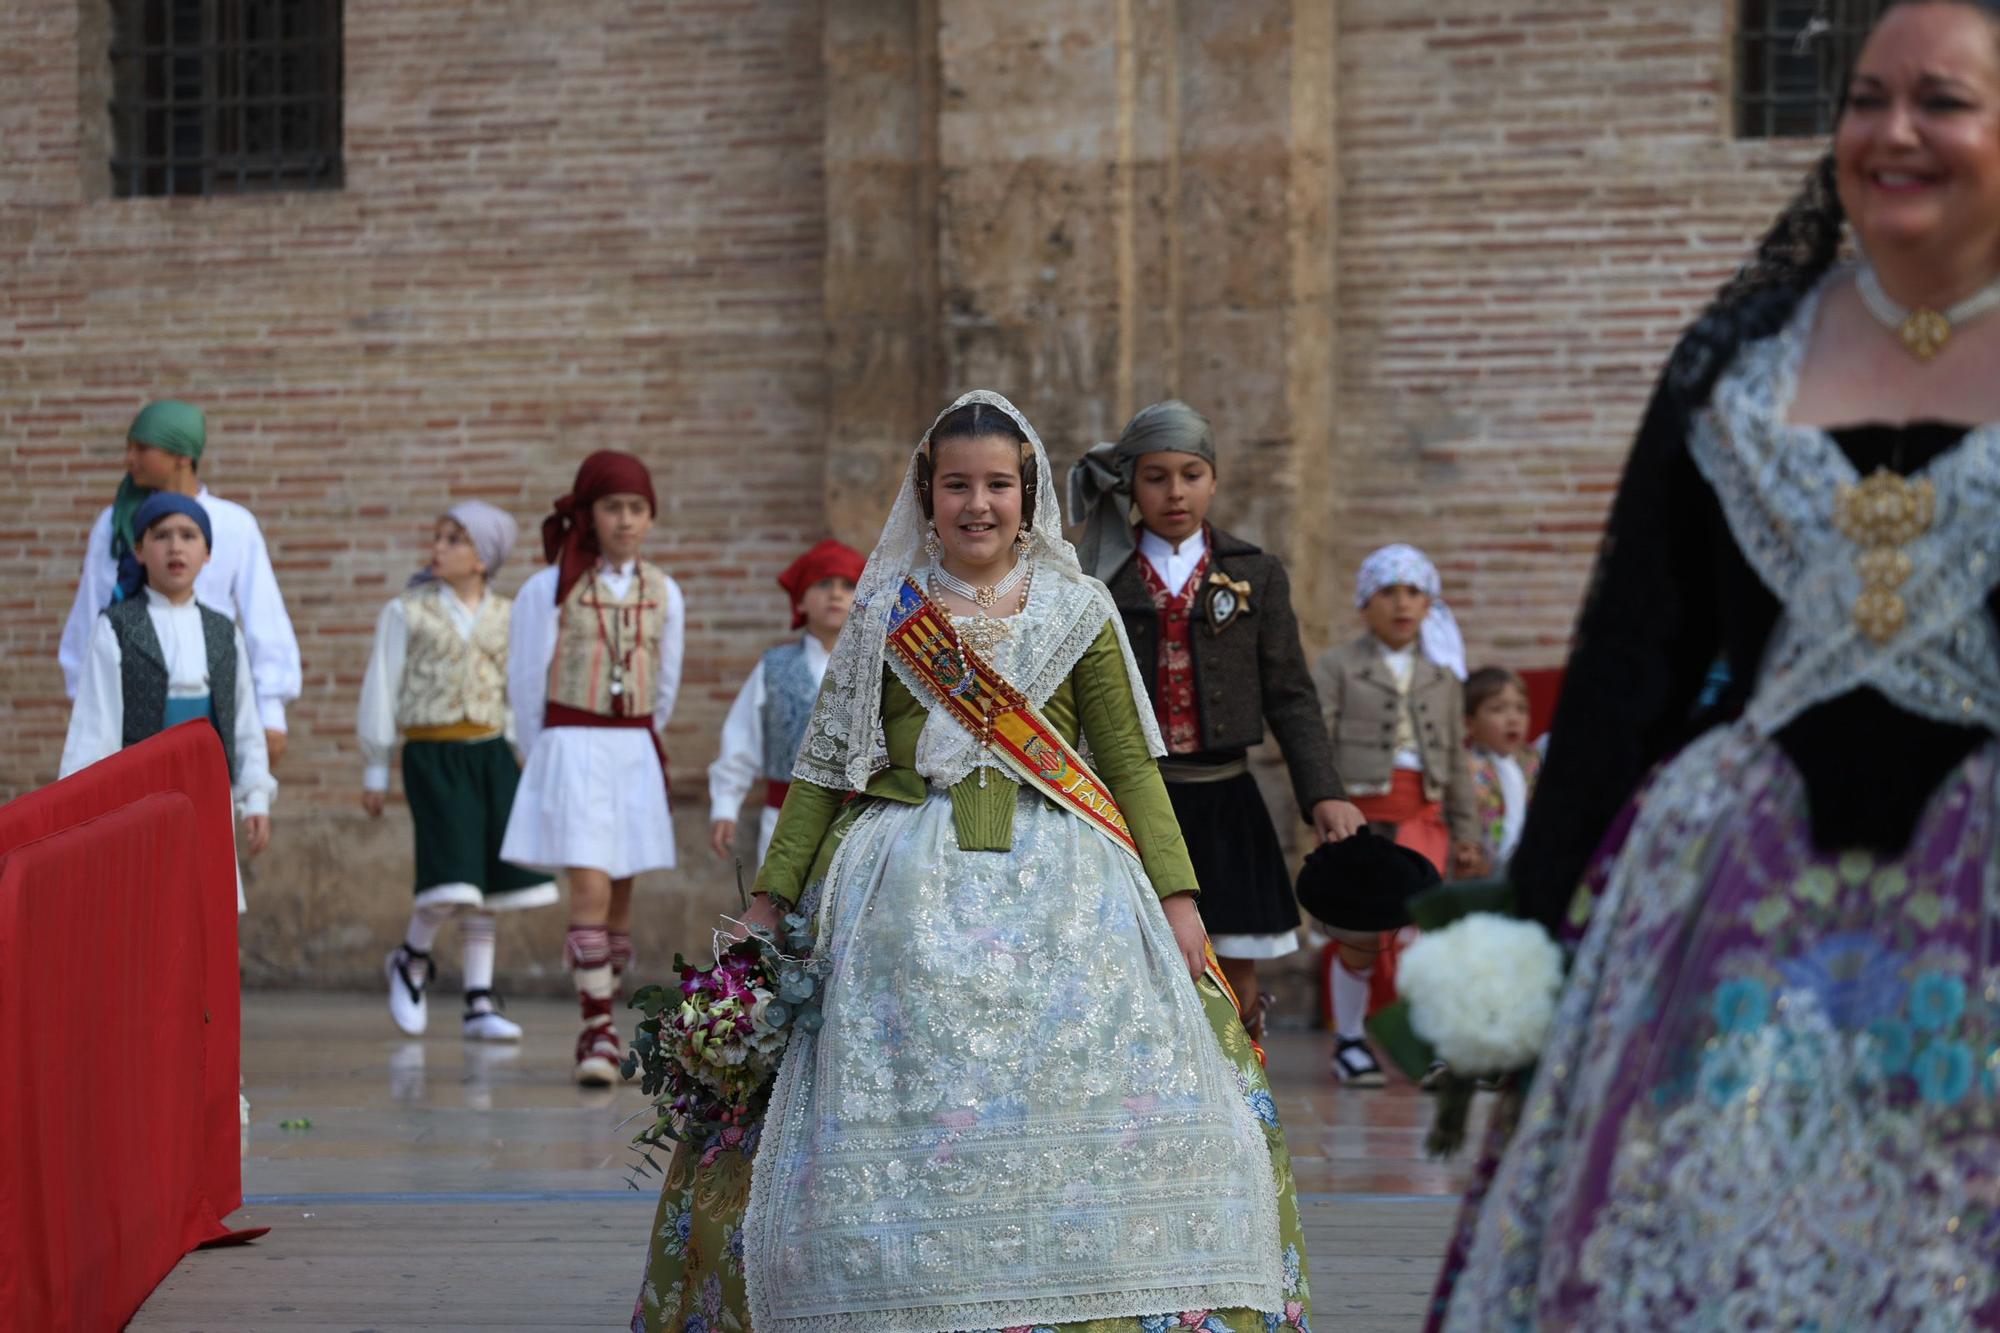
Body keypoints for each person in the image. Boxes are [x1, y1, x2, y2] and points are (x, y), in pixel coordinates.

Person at [1438, 3, 2000, 1324]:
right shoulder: (1733, 370)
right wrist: (1524, 943)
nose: (1896, 129)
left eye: (1946, 99)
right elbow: (1630, 669)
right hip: (1734, 912)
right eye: (1866, 97)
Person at [632, 392, 1313, 1333]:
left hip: (1072, 884)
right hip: (898, 886)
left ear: (1028, 493)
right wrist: (765, 904)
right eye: (958, 485)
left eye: (999, 484)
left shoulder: (1077, 609)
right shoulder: (884, 615)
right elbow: (824, 773)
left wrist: (1179, 896)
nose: (979, 504)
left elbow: (1126, 764)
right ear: (928, 493)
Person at [1068, 400, 1364, 1039]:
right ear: (1130, 484)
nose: (1175, 492)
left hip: (1227, 800)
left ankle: (1247, 1101)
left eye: (1192, 474)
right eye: (1156, 476)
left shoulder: (1253, 572)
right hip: (1131, 802)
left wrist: (1325, 794)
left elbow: (1290, 693)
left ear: (1214, 480)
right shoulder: (1094, 578)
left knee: (1236, 967)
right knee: (1127, 965)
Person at [501, 451, 684, 1087]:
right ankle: (596, 1028)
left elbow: (666, 680)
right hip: (572, 742)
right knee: (590, 883)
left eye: (638, 509)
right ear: (589, 513)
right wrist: (541, 752)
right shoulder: (548, 588)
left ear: (651, 518)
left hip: (631, 746)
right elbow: (525, 678)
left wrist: (642, 738)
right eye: (613, 508)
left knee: (622, 891)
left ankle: (607, 1010)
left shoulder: (665, 591)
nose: (626, 521)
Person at [359, 501, 558, 1042]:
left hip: (491, 752)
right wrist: (376, 767)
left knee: (487, 881)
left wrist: (524, 748)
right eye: (439, 536)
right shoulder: (408, 609)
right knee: (452, 876)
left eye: (454, 539)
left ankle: (477, 1000)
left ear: (482, 557)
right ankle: (410, 958)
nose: (439, 547)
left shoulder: (507, 613)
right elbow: (382, 685)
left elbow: (516, 686)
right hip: (433, 753)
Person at [1311, 545, 1482, 1087]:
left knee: (1425, 937)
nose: (1402, 604)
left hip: (1424, 821)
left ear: (1430, 604)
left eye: (1414, 593)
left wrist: (1468, 833)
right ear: (1365, 603)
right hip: (1360, 820)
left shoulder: (1444, 680)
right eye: (1388, 593)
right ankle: (1351, 1040)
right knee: (1359, 934)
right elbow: (1315, 742)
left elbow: (1456, 762)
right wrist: (1324, 808)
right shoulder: (1339, 667)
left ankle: (1430, 1044)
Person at [59, 400, 301, 770]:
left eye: (141, 448)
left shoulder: (234, 525)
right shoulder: (116, 524)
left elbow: (264, 621)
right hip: (129, 703)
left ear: (181, 456)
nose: (129, 459)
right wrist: (86, 705)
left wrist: (271, 713)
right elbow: (89, 620)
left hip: (211, 700)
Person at [60, 493, 275, 859]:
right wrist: (79, 808)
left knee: (205, 895)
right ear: (140, 550)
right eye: (161, 536)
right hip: (138, 796)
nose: (176, 547)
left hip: (206, 791)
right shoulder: (117, 628)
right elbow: (96, 725)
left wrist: (256, 797)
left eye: (189, 536)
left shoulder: (224, 633)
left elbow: (244, 725)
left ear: (207, 552)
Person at [706, 539, 863, 868]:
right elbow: (741, 738)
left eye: (847, 585)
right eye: (823, 584)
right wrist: (725, 805)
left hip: (857, 821)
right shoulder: (774, 667)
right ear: (801, 600)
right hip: (783, 820)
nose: (835, 594)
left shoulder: (874, 667)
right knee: (781, 911)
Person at [1462, 666, 1540, 878]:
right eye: (1498, 709)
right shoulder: (1466, 767)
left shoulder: (1533, 763)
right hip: (1485, 870)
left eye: (1521, 709)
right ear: (1469, 723)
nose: (1513, 719)